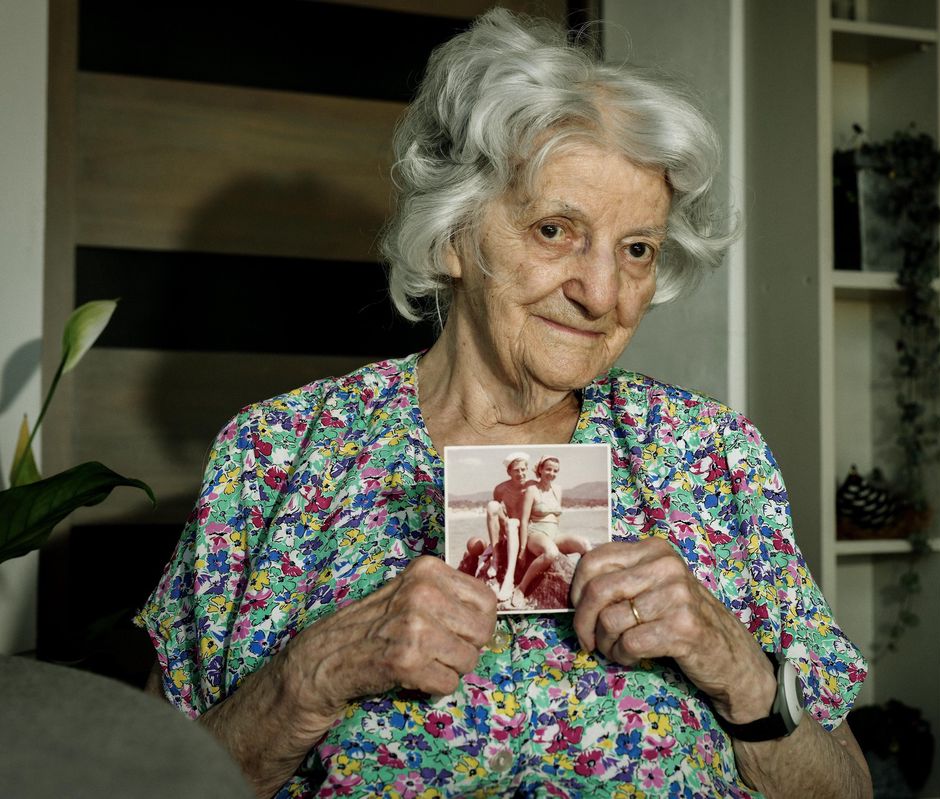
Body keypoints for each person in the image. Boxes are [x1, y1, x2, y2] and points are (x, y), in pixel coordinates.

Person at [136, 9, 871, 798]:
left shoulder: (713, 455)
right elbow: (146, 783)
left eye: (637, 250)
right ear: (453, 235)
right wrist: (310, 676)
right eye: (556, 229)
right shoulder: (276, 453)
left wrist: (739, 671)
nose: (601, 292)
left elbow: (848, 789)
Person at [514, 456, 593, 604]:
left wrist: (561, 541)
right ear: (540, 470)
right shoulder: (531, 490)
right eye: (548, 469)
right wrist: (522, 549)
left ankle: (584, 583)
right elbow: (524, 521)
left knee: (585, 545)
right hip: (536, 532)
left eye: (555, 470)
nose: (551, 473)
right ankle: (521, 588)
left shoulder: (558, 489)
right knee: (551, 552)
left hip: (554, 533)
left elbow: (557, 518)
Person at [484, 451, 533, 601]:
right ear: (509, 472)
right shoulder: (500, 489)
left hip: (525, 529)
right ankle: (496, 557)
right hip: (509, 527)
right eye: (516, 470)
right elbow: (498, 515)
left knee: (513, 523)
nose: (521, 473)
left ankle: (509, 578)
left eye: (523, 469)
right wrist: (499, 536)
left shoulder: (531, 488)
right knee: (492, 506)